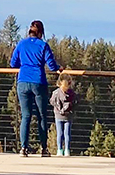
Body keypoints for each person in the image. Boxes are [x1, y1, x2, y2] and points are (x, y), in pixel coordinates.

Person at [9, 20, 61, 157]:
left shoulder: (21, 44)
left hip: (23, 81)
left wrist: (25, 63)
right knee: (42, 116)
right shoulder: (43, 45)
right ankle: (44, 148)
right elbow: (51, 65)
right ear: (41, 32)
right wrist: (59, 68)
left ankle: (23, 148)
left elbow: (13, 63)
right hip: (38, 82)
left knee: (25, 116)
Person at [51, 76, 78, 157]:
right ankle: (67, 150)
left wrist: (59, 109)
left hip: (58, 115)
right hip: (68, 115)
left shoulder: (56, 93)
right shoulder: (72, 93)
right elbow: (76, 102)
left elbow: (52, 101)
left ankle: (60, 150)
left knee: (60, 133)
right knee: (66, 133)